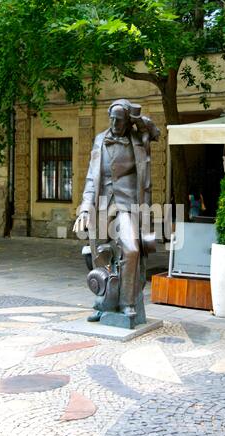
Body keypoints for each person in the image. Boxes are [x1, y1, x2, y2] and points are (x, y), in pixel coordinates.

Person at [73, 99, 159, 323]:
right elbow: (92, 177)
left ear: (127, 121)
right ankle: (103, 305)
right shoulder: (100, 140)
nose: (113, 123)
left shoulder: (138, 140)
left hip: (127, 205)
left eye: (119, 120)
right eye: (111, 118)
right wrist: (84, 210)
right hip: (102, 205)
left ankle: (128, 303)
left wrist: (138, 119)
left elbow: (154, 131)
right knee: (100, 256)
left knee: (130, 250)